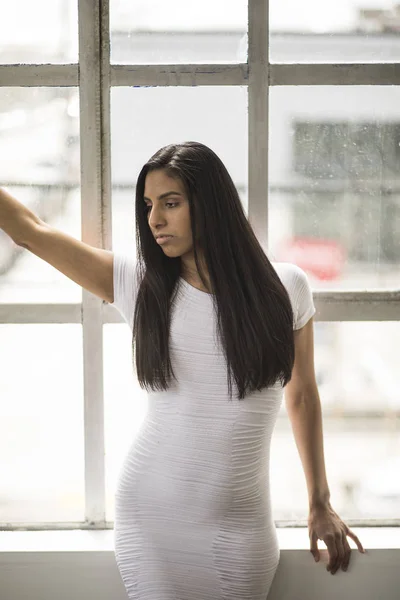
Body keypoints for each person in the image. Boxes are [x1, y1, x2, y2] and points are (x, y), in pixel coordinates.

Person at [0, 140, 365, 599]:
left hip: (242, 529)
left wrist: (320, 503)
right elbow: (30, 231)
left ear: (210, 205)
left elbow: (303, 395)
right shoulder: (138, 284)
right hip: (153, 521)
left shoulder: (286, 287)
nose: (154, 219)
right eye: (149, 205)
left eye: (171, 203)